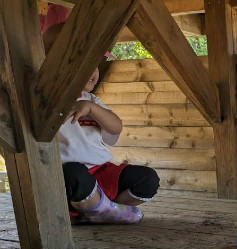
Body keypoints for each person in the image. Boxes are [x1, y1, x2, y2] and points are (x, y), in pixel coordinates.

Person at [41, 4, 159, 224]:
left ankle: (103, 210)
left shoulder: (92, 100)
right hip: (70, 179)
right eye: (83, 64)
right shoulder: (45, 97)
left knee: (148, 179)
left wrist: (93, 109)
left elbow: (116, 128)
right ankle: (99, 210)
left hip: (102, 173)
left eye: (95, 64)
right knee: (74, 174)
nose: (93, 70)